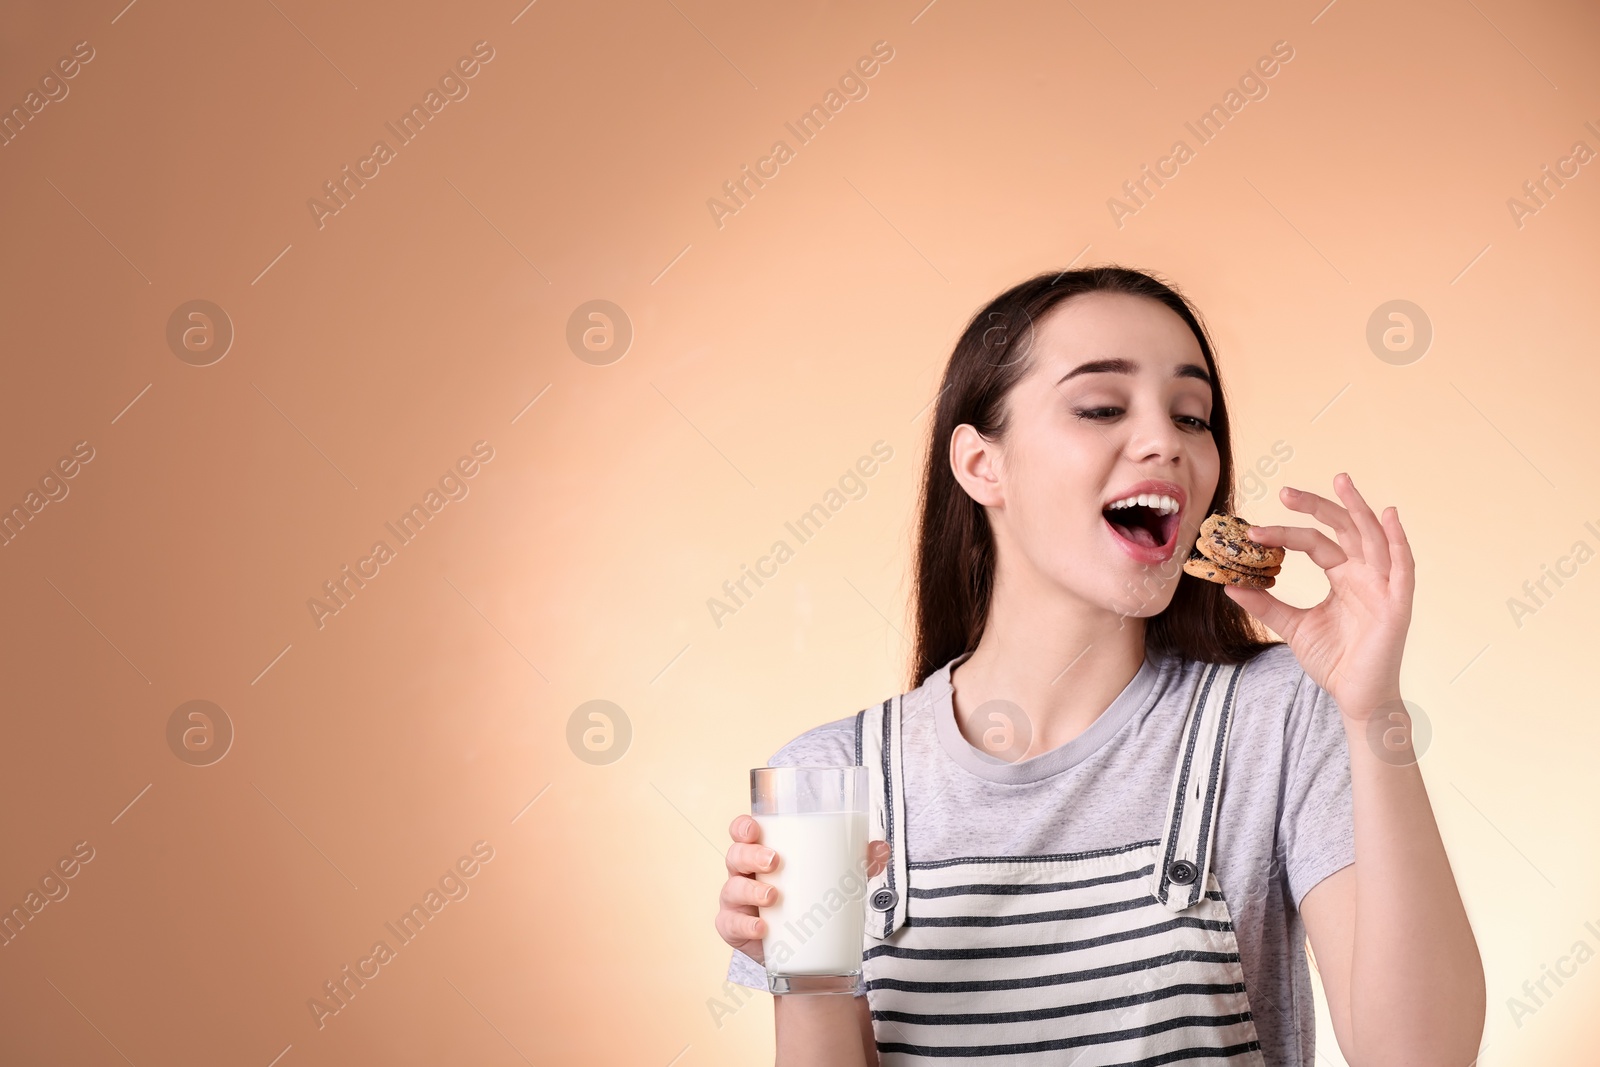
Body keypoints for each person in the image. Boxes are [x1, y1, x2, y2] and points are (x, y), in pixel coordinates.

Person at [713, 266, 1484, 1066]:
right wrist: (808, 968)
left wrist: (1372, 710)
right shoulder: (834, 780)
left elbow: (1423, 1057)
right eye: (1101, 407)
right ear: (983, 465)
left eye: (1193, 416)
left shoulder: (1278, 714)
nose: (1167, 443)